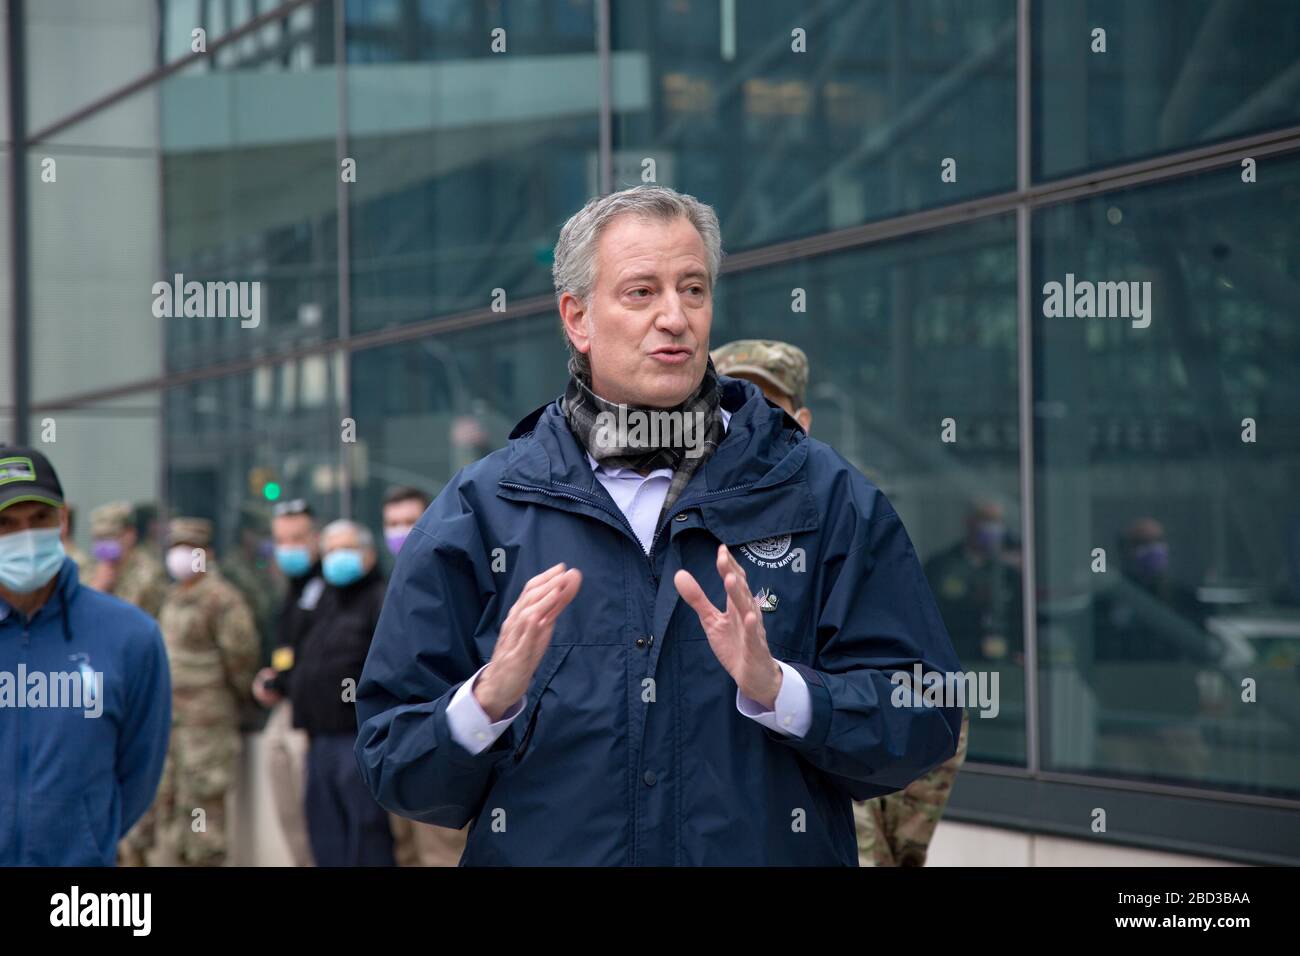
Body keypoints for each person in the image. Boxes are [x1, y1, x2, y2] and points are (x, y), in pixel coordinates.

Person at [355, 185, 962, 865]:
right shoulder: (484, 510)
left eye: (693, 290)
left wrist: (783, 693)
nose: (675, 317)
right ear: (576, 319)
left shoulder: (823, 496)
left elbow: (927, 715)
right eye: (642, 292)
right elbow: (394, 762)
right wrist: (485, 701)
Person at [714, 339, 972, 867]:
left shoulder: (844, 512)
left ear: (802, 418)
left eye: (770, 404)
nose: (752, 421)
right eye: (739, 405)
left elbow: (924, 697)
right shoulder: (692, 520)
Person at [0, 447, 171, 865]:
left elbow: (140, 772)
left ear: (61, 521)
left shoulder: (131, 636)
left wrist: (89, 838)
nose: (24, 535)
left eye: (38, 519)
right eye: (5, 523)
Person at [147, 517, 259, 866]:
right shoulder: (170, 598)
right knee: (169, 812)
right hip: (170, 725)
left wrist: (226, 699)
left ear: (207, 554)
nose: (181, 556)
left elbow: (241, 659)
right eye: (176, 548)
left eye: (190, 549)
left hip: (206, 726)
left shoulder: (221, 599)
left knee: (202, 816)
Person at [377, 485, 468, 867]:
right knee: (408, 853)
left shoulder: (455, 581)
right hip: (398, 746)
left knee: (443, 855)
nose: (400, 532)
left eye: (409, 521)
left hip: (441, 745)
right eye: (392, 524)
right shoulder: (388, 586)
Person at [294, 520, 394, 866]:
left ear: (367, 555)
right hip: (319, 737)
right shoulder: (323, 598)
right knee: (325, 833)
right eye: (330, 550)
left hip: (357, 736)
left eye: (345, 548)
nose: (336, 557)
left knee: (366, 834)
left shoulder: (381, 597)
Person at [251, 498, 323, 867]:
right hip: (284, 708)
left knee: (315, 820)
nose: (290, 548)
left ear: (316, 537)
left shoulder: (330, 587)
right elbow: (286, 649)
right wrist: (272, 679)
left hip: (316, 717)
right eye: (283, 541)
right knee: (288, 814)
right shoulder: (289, 589)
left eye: (298, 538)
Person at [87, 501, 169, 619]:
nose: (104, 543)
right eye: (99, 538)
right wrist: (97, 588)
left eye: (110, 536)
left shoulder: (149, 573)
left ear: (130, 534)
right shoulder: (91, 570)